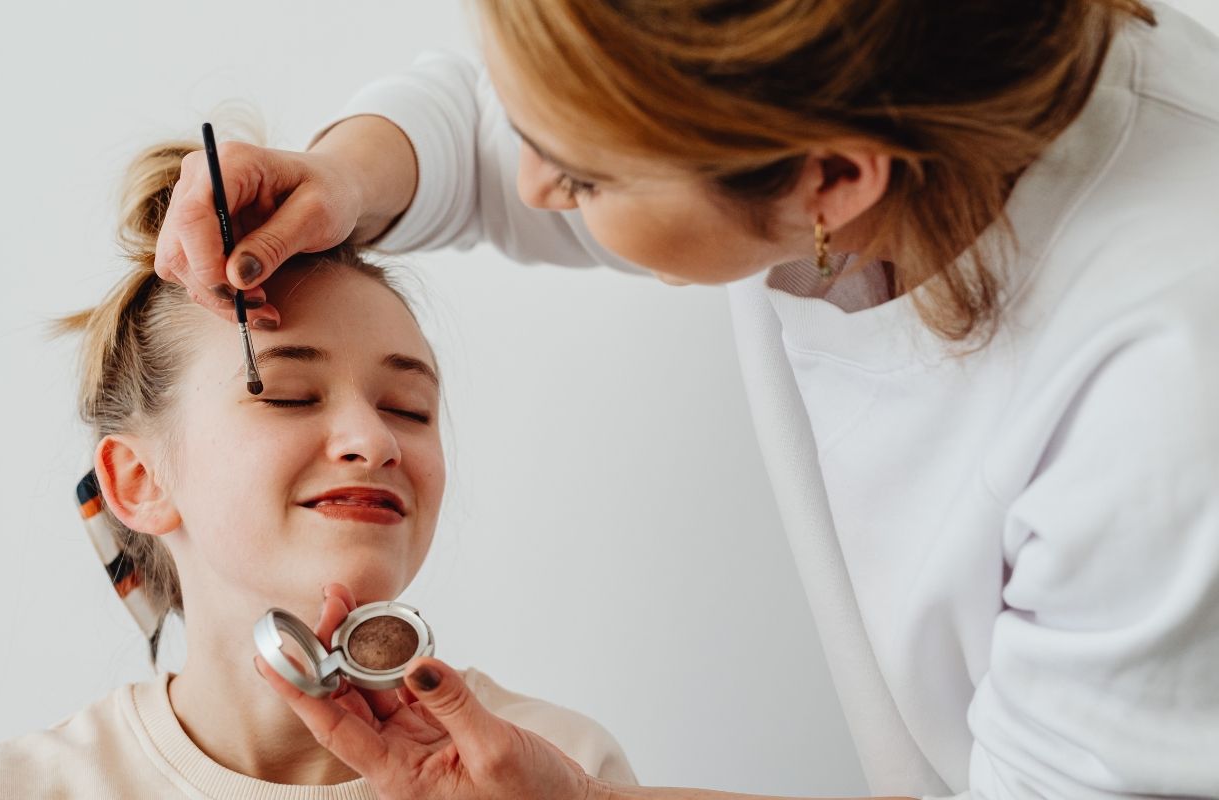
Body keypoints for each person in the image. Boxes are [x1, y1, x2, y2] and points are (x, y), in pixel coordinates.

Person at [152, 1, 1219, 799]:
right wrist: (343, 175)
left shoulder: (1159, 395)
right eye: (284, 393)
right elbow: (514, 125)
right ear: (135, 475)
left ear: (831, 181)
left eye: (577, 179)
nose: (525, 183)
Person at [0, 142, 635, 799]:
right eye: (288, 396)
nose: (374, 439)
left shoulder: (557, 769)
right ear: (138, 480)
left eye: (410, 409)